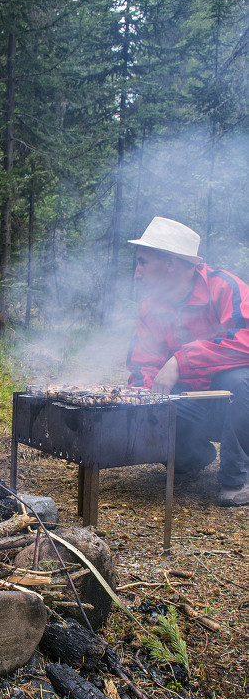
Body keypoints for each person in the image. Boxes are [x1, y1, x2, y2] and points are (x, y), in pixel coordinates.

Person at [127, 216, 249, 507]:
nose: (137, 274)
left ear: (170, 262)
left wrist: (181, 361)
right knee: (151, 402)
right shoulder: (151, 307)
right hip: (198, 405)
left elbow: (245, 337)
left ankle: (238, 477)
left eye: (143, 263)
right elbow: (143, 362)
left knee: (237, 381)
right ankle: (195, 455)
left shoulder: (225, 287)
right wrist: (142, 401)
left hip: (235, 404)